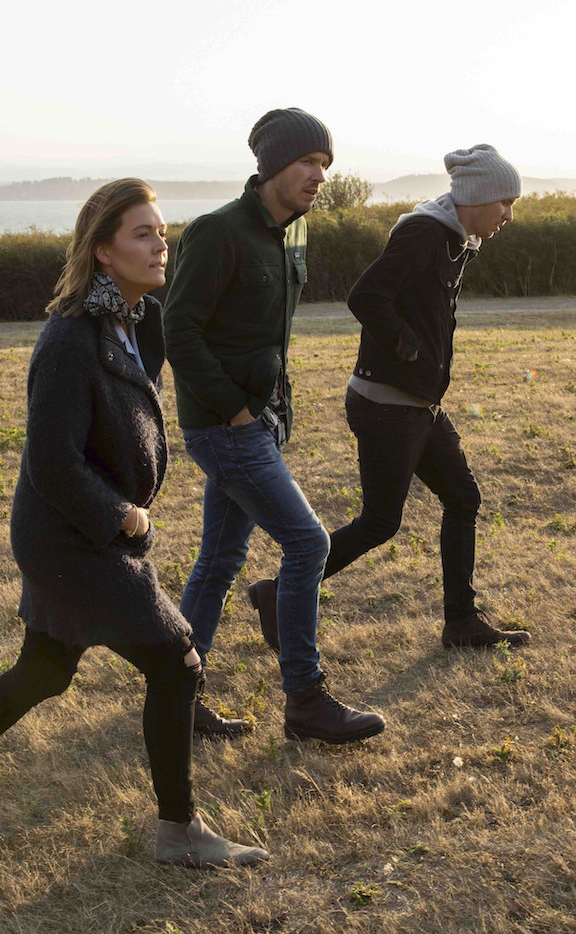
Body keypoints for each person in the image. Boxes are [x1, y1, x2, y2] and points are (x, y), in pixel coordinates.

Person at [0, 179, 266, 868]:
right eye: (141, 234)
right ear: (102, 251)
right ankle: (177, 830)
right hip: (69, 536)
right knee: (178, 661)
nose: (160, 243)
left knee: (44, 670)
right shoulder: (69, 339)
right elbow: (52, 463)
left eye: (161, 230)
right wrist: (121, 512)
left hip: (92, 533)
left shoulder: (137, 318)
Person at [246, 145, 532, 651]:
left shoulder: (454, 238)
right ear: (477, 197)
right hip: (386, 404)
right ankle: (277, 592)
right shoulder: (425, 235)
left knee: (462, 497)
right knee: (381, 521)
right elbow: (365, 295)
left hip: (417, 404)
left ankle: (461, 621)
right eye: (505, 202)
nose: (510, 215)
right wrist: (409, 349)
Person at [163, 107, 384, 745]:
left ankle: (178, 692)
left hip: (258, 421)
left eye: (325, 164)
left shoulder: (293, 232)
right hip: (226, 428)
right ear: (271, 166)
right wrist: (233, 409)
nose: (319, 175)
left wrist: (270, 405)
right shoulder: (217, 232)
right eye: (307, 162)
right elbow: (179, 331)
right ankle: (306, 700)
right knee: (309, 545)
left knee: (221, 557)